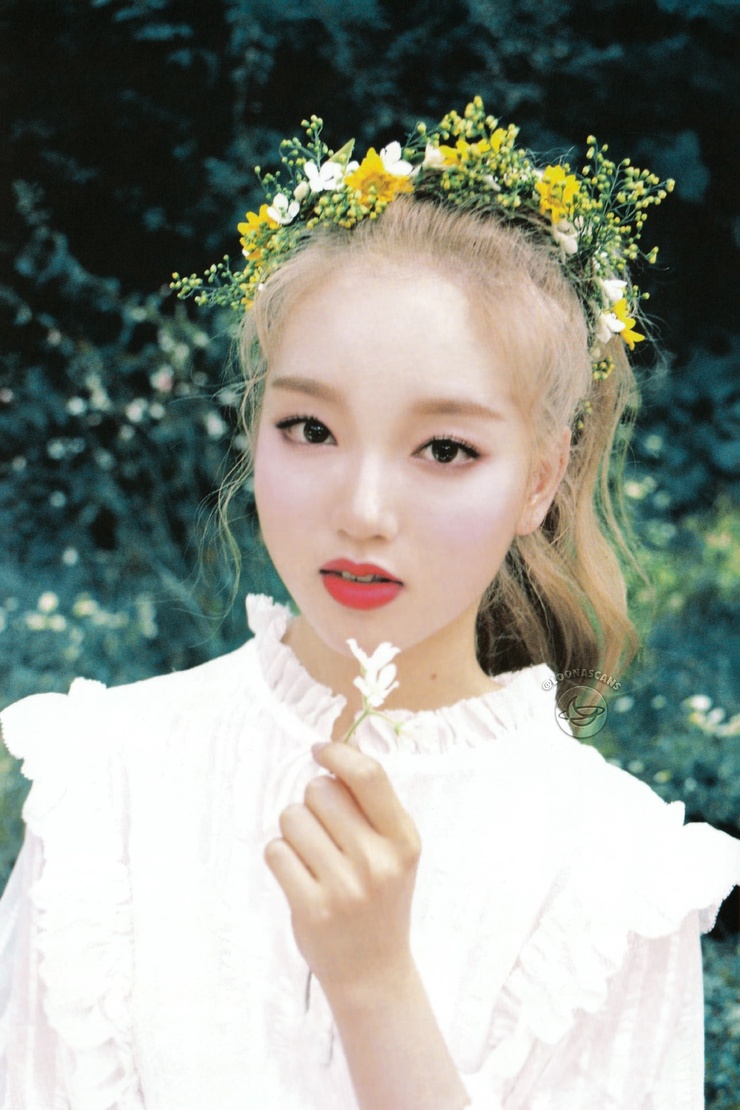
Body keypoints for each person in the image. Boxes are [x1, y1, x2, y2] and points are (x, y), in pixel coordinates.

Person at [0, 98, 738, 1110]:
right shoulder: (107, 781)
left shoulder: (615, 876)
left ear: (540, 479)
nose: (362, 510)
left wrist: (375, 987)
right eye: (310, 429)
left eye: (445, 448)